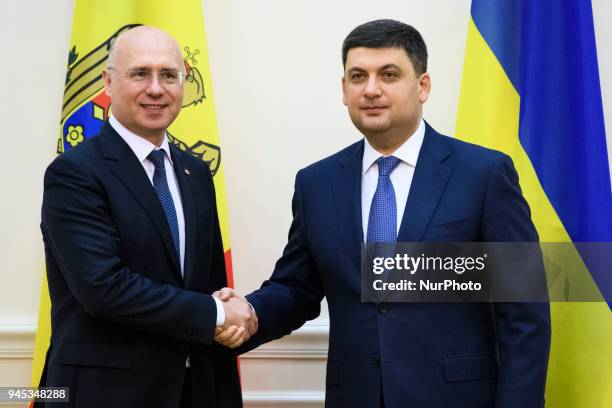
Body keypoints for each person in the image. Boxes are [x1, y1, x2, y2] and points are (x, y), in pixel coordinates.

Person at [215, 19, 551, 408]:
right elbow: (297, 289)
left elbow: (523, 314)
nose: (371, 89)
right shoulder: (317, 183)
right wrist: (249, 312)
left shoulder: (484, 174)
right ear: (344, 90)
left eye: (388, 75)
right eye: (358, 76)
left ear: (422, 86)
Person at [40, 26, 255, 408]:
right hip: (106, 395)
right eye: (140, 73)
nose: (156, 88)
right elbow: (104, 288)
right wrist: (217, 312)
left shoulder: (195, 171)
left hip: (196, 389)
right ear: (108, 82)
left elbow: (207, 281)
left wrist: (227, 311)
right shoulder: (74, 173)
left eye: (169, 75)